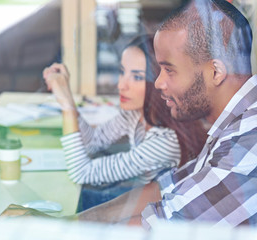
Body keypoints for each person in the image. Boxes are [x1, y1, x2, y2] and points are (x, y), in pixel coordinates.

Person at [1, 0, 257, 229]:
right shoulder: (234, 126)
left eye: (169, 70)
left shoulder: (245, 147)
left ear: (216, 73)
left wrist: (56, 228)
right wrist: (67, 222)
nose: (157, 83)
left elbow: (157, 227)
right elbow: (163, 188)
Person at [42, 35, 206, 209]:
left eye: (136, 77)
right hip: (142, 203)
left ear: (162, 83)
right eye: (122, 72)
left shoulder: (165, 141)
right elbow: (91, 143)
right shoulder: (136, 115)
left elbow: (81, 172)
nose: (121, 85)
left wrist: (66, 107)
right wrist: (67, 96)